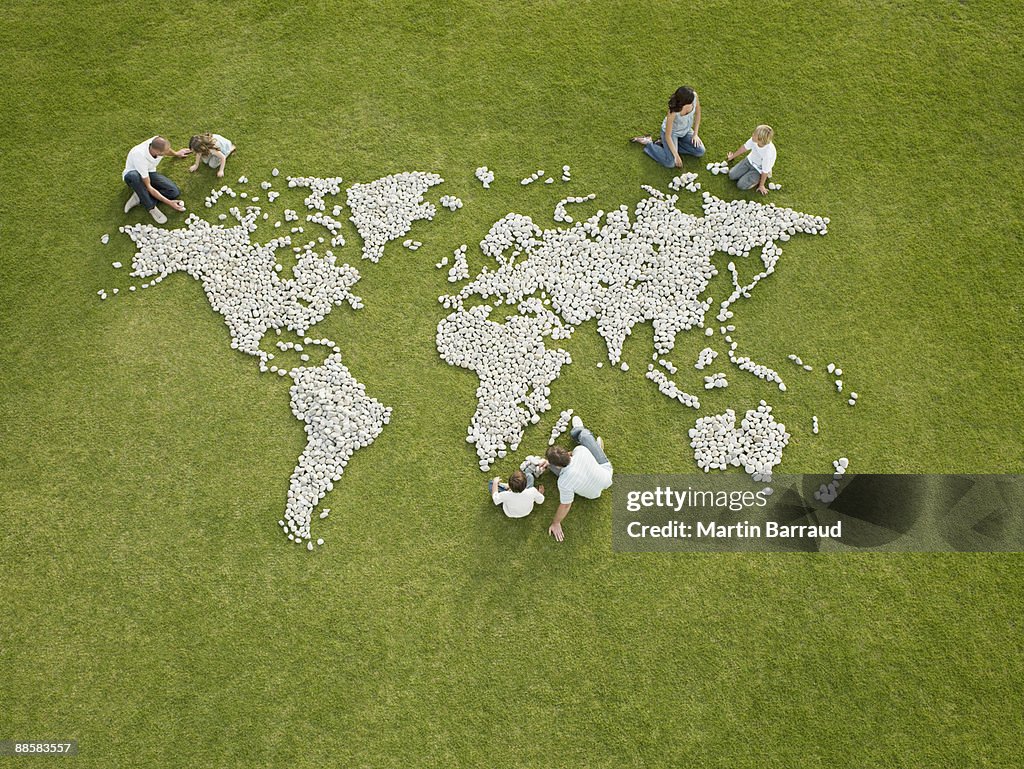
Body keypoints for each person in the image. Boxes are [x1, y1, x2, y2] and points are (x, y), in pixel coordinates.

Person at [539, 416, 612, 542]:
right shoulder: (581, 450)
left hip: (597, 488)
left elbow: (566, 505)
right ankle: (588, 440)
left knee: (583, 436)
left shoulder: (563, 482)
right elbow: (572, 454)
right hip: (605, 478)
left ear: (558, 465)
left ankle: (590, 443)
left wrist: (556, 523)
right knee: (584, 436)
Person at [631, 86, 706, 168]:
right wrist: (676, 156)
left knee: (700, 151)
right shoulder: (673, 112)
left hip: (686, 131)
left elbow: (698, 114)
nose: (692, 103)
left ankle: (665, 144)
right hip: (671, 134)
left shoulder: (694, 96)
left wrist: (695, 134)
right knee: (670, 163)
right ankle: (649, 142)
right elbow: (668, 135)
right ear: (683, 102)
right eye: (690, 102)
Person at [123, 136, 190, 224]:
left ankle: (140, 197)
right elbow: (149, 187)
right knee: (134, 176)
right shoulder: (139, 156)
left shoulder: (156, 142)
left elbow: (167, 150)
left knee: (174, 192)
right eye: (165, 152)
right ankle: (151, 207)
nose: (167, 152)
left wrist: (177, 154)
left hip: (149, 172)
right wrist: (169, 203)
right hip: (133, 175)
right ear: (157, 152)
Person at [726, 125, 777, 195]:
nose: (752, 134)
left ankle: (758, 180)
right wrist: (732, 156)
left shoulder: (767, 153)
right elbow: (744, 148)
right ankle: (748, 175)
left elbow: (765, 171)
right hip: (749, 161)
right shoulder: (754, 140)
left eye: (755, 134)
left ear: (760, 139)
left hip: (759, 170)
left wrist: (761, 185)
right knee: (731, 175)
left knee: (741, 185)